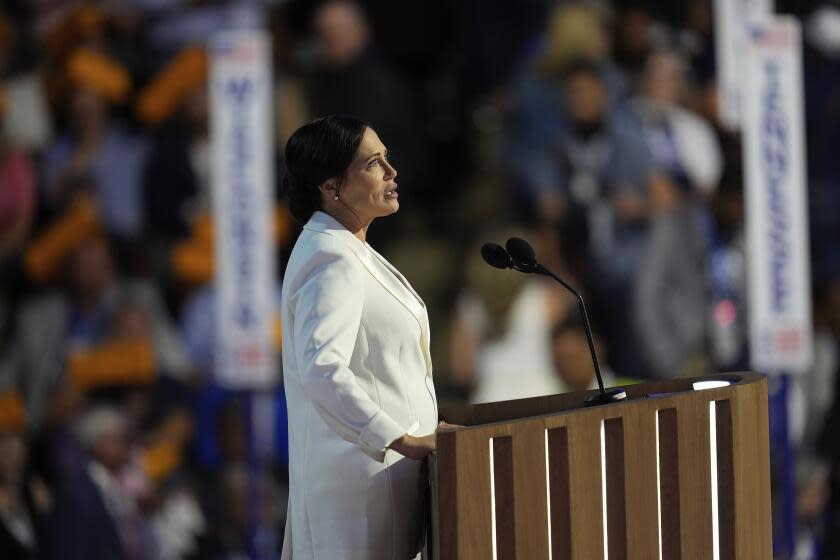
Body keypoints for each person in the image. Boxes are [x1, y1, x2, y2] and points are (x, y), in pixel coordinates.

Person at [279, 115, 448, 559]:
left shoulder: (345, 248)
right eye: (374, 163)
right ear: (331, 186)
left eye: (387, 159)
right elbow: (322, 370)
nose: (392, 173)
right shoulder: (330, 259)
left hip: (381, 487)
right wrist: (401, 439)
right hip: (360, 497)